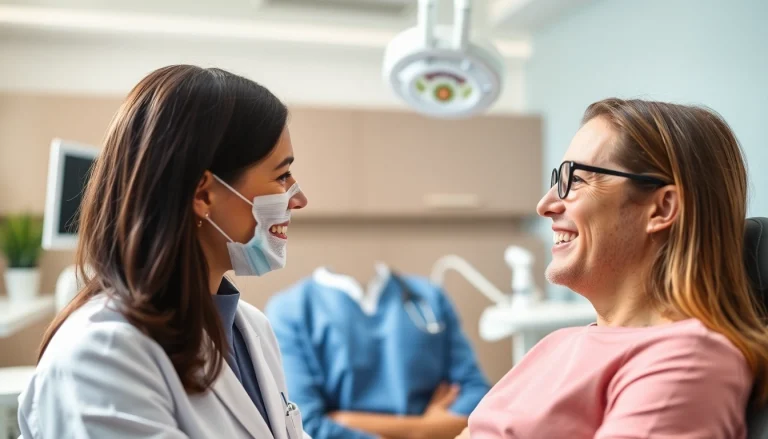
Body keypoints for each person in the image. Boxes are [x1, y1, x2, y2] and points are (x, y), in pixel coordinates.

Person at [16, 65, 311, 439]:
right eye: (281, 175)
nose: (298, 198)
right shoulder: (101, 358)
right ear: (203, 194)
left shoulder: (252, 329)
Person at [460, 98, 768, 438]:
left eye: (574, 180)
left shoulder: (688, 360)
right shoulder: (558, 344)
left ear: (662, 209)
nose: (545, 205)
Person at [265, 263, 491, 439]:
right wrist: (429, 430)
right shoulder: (291, 310)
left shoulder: (429, 297)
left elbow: (476, 397)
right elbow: (303, 425)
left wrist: (345, 420)